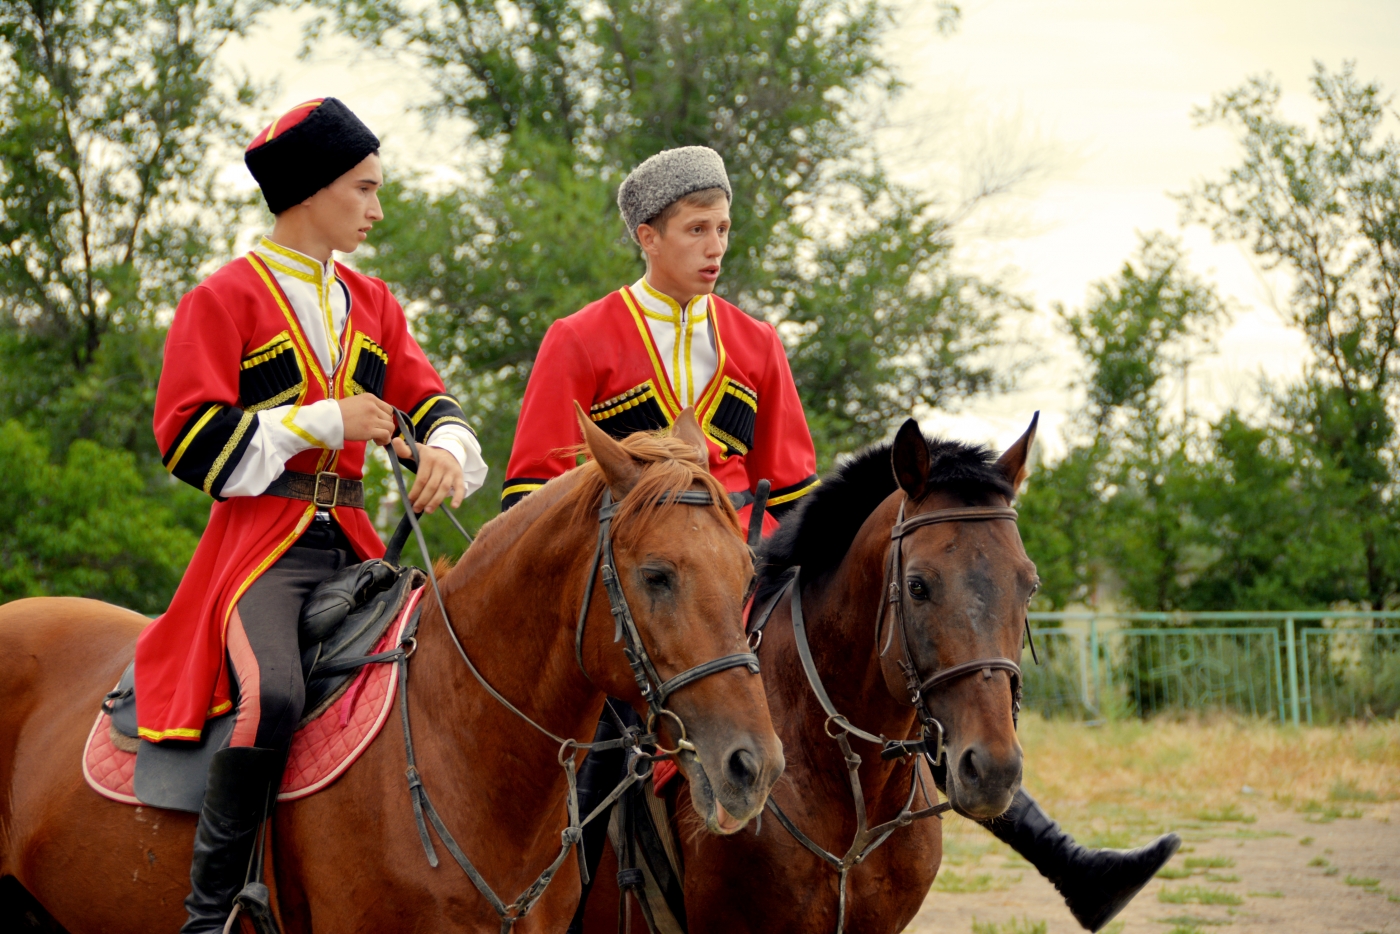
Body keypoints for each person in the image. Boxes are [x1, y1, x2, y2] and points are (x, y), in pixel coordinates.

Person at [503, 145, 1178, 933]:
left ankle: (1067, 863)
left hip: (756, 572)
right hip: (648, 591)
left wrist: (774, 561)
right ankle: (555, 906)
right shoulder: (579, 339)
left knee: (896, 689)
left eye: (723, 228)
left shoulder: (755, 344)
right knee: (601, 743)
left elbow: (791, 486)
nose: (715, 246)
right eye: (695, 229)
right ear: (647, 238)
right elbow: (530, 491)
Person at [137, 97, 488, 933]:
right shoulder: (221, 299)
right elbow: (189, 442)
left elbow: (429, 396)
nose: (376, 209)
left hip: (359, 541)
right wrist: (325, 421)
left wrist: (442, 445)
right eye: (363, 189)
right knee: (277, 699)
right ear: (308, 191)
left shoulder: (372, 301)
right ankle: (212, 912)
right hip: (261, 551)